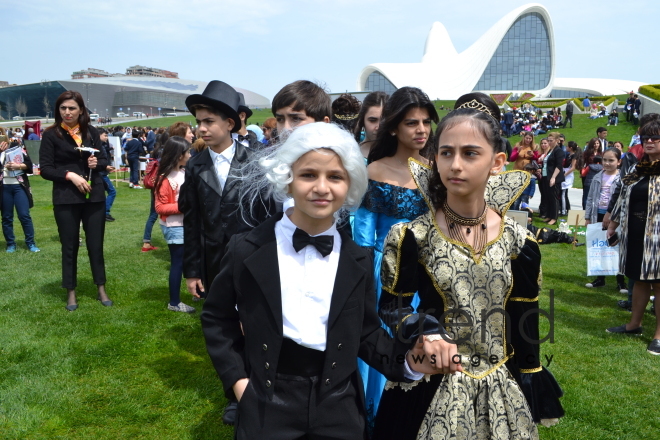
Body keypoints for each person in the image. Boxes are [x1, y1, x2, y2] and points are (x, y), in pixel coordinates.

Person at [200, 122, 447, 439]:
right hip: (266, 400)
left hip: (338, 404)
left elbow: (368, 334)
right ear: (288, 180)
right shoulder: (246, 248)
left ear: (350, 186)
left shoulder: (356, 259)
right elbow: (217, 318)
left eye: (335, 177)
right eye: (308, 175)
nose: (321, 187)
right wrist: (240, 383)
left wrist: (410, 362)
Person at [372, 95, 564, 439]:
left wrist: (531, 371)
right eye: (446, 153)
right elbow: (391, 306)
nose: (455, 165)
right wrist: (422, 330)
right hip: (432, 381)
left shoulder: (520, 242)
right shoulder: (412, 236)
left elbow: (524, 313)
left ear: (497, 161)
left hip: (499, 386)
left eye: (470, 153)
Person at [180, 81, 277, 425]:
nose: (201, 128)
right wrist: (192, 271)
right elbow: (191, 222)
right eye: (199, 121)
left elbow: (268, 214)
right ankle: (235, 394)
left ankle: (261, 382)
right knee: (224, 327)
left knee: (255, 323)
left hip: (253, 260)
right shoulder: (195, 166)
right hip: (213, 262)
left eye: (208, 121)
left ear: (230, 124)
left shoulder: (257, 161)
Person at [353, 86, 438, 429]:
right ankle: (372, 414)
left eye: (426, 122)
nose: (421, 130)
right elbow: (362, 232)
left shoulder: (437, 172)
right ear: (393, 128)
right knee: (381, 341)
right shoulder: (373, 171)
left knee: (421, 339)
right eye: (411, 123)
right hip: (380, 271)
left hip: (426, 270)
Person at [39, 90, 112, 311]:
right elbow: (46, 169)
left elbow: (104, 159)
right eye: (63, 108)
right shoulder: (51, 135)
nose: (67, 112)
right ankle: (71, 291)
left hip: (94, 196)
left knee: (95, 244)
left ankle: (100, 287)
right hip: (66, 198)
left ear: (81, 109)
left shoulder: (92, 132)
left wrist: (96, 165)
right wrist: (69, 175)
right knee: (69, 246)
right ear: (58, 110)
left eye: (72, 108)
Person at [606, 117, 660, 355]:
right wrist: (613, 223)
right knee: (638, 280)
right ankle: (634, 324)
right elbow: (622, 198)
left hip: (657, 238)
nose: (649, 141)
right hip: (636, 235)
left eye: (655, 137)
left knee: (659, 284)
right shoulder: (637, 169)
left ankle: (658, 335)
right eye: (645, 137)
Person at [154, 136, 195, 313]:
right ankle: (175, 302)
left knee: (190, 260)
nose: (190, 154)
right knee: (178, 263)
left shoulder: (184, 172)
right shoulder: (165, 179)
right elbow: (160, 206)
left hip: (186, 224)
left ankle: (197, 291)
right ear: (179, 155)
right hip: (174, 226)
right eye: (188, 152)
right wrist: (184, 207)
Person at [584, 148, 626, 291]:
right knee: (599, 247)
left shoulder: (622, 179)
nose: (607, 163)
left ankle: (620, 280)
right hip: (598, 215)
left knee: (615, 247)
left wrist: (613, 216)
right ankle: (600, 278)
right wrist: (588, 217)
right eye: (605, 160)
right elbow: (590, 198)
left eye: (611, 160)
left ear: (619, 162)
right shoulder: (597, 177)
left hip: (615, 217)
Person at [1, 140, 39, 252]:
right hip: (4, 187)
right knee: (6, 217)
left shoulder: (15, 148)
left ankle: (30, 243)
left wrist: (18, 166)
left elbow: (30, 164)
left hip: (19, 186)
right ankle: (10, 244)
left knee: (24, 215)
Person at [539, 132, 565, 225]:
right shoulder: (551, 151)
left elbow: (559, 166)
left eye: (551, 141)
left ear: (557, 140)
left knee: (554, 198)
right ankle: (549, 215)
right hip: (546, 176)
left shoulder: (559, 151)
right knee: (548, 197)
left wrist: (553, 177)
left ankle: (554, 217)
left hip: (554, 177)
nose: (549, 142)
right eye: (548, 140)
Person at [353, 91, 388, 159]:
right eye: (372, 120)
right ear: (363, 120)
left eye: (383, 121)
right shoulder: (351, 153)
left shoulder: (400, 153)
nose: (378, 127)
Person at [560, 141, 582, 216]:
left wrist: (564, 175)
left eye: (567, 146)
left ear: (571, 148)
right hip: (564, 172)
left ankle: (563, 211)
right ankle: (566, 208)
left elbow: (573, 167)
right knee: (563, 194)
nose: (566, 148)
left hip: (567, 174)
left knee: (563, 193)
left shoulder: (574, 156)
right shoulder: (568, 155)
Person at [582, 137, 603, 208]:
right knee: (586, 193)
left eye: (597, 143)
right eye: (594, 143)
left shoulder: (601, 153)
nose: (596, 145)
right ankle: (585, 209)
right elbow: (582, 163)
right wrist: (582, 171)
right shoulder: (587, 153)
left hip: (599, 174)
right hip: (588, 174)